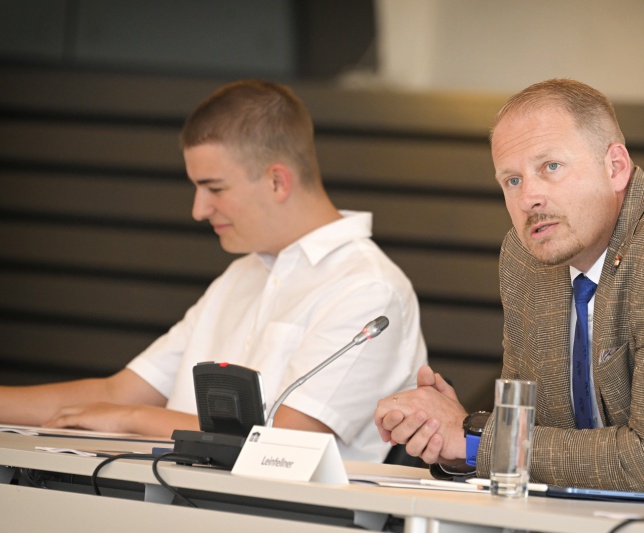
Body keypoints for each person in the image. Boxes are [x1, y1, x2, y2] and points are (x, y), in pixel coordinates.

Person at [374, 78, 644, 499]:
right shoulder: (526, 258)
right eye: (512, 180)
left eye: (550, 167)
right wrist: (456, 443)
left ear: (615, 167)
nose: (528, 199)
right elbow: (540, 440)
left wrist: (474, 438)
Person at [0, 80, 427, 462]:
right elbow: (116, 393)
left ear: (277, 181)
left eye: (214, 188)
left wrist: (130, 419)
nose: (199, 210)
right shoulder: (241, 276)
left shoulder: (368, 288)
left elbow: (285, 444)